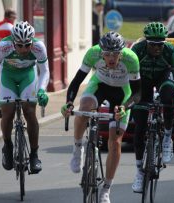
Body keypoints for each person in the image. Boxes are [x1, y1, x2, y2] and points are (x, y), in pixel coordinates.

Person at [61, 31, 141, 203]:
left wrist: (125, 107)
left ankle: (106, 188)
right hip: (100, 85)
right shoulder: (92, 53)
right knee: (84, 108)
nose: (111, 58)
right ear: (101, 52)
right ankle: (77, 149)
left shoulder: (131, 59)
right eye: (107, 54)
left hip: (122, 94)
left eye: (115, 54)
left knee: (115, 142)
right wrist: (68, 103)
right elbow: (76, 81)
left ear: (122, 52)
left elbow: (137, 93)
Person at [0, 21, 49, 173]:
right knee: (7, 112)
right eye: (19, 45)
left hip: (27, 76)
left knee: (29, 111)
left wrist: (41, 90)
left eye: (27, 45)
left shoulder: (39, 47)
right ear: (13, 42)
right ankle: (7, 146)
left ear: (31, 41)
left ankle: (34, 155)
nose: (23, 49)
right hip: (8, 76)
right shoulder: (3, 46)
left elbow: (45, 71)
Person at [130, 22, 174, 192]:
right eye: (153, 44)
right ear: (146, 42)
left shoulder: (171, 52)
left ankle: (167, 136)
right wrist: (131, 99)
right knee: (139, 129)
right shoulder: (136, 51)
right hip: (143, 81)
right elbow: (128, 80)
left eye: (160, 44)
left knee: (168, 97)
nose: (157, 48)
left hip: (163, 78)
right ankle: (139, 171)